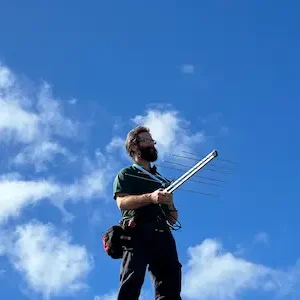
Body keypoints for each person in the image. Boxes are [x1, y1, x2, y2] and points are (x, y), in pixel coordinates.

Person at [113, 125, 182, 300]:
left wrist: (170, 202)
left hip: (162, 234)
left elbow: (172, 219)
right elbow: (122, 203)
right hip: (138, 231)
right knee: (132, 281)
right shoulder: (127, 174)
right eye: (146, 140)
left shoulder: (161, 181)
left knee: (170, 288)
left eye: (152, 141)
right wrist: (151, 198)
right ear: (134, 146)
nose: (152, 144)